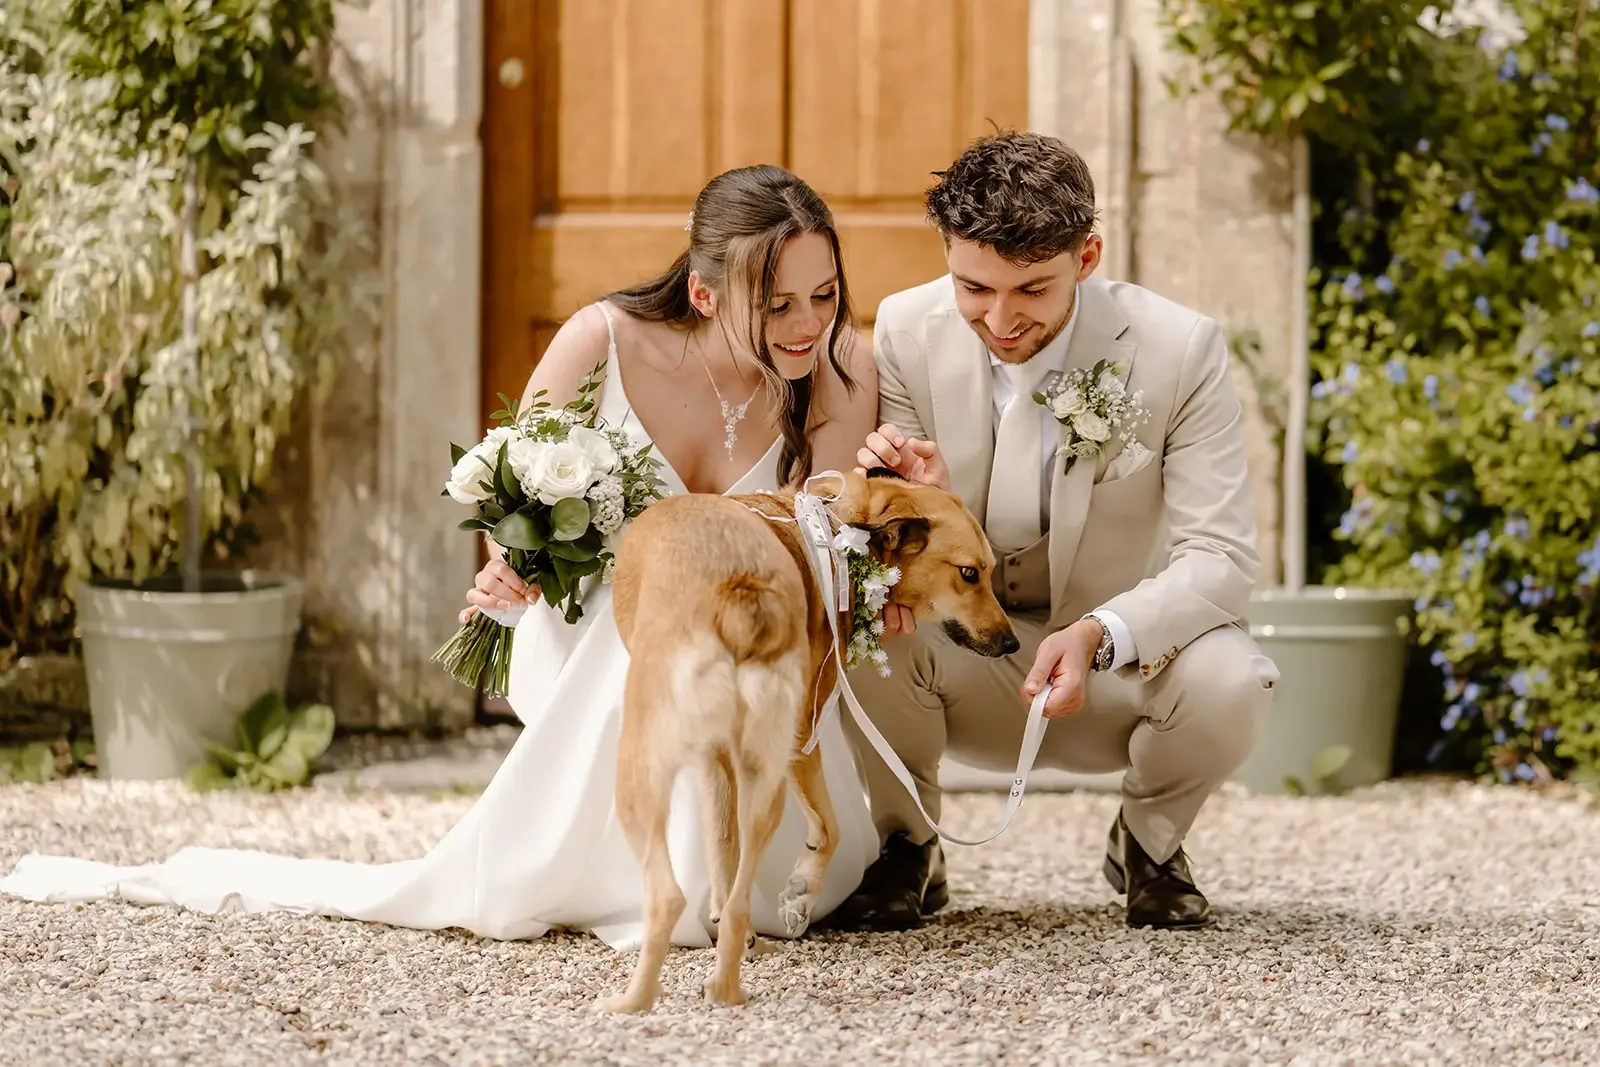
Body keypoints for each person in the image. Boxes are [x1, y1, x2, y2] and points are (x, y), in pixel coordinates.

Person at [0, 165, 883, 951]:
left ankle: (693, 872)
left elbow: (825, 543)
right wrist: (516, 559)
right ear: (701, 294)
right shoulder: (604, 341)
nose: (807, 324)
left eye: (824, 294)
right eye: (777, 304)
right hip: (584, 638)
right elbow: (515, 487)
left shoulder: (842, 363)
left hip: (751, 667)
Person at [831, 131, 1280, 933]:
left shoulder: (1181, 348)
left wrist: (1102, 633)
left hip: (1111, 673)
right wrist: (918, 493)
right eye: (974, 287)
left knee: (1235, 678)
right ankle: (907, 845)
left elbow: (1225, 557)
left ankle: (1149, 843)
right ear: (945, 252)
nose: (999, 319)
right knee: (866, 626)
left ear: (1088, 255)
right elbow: (892, 532)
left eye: (1031, 290)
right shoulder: (902, 327)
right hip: (968, 658)